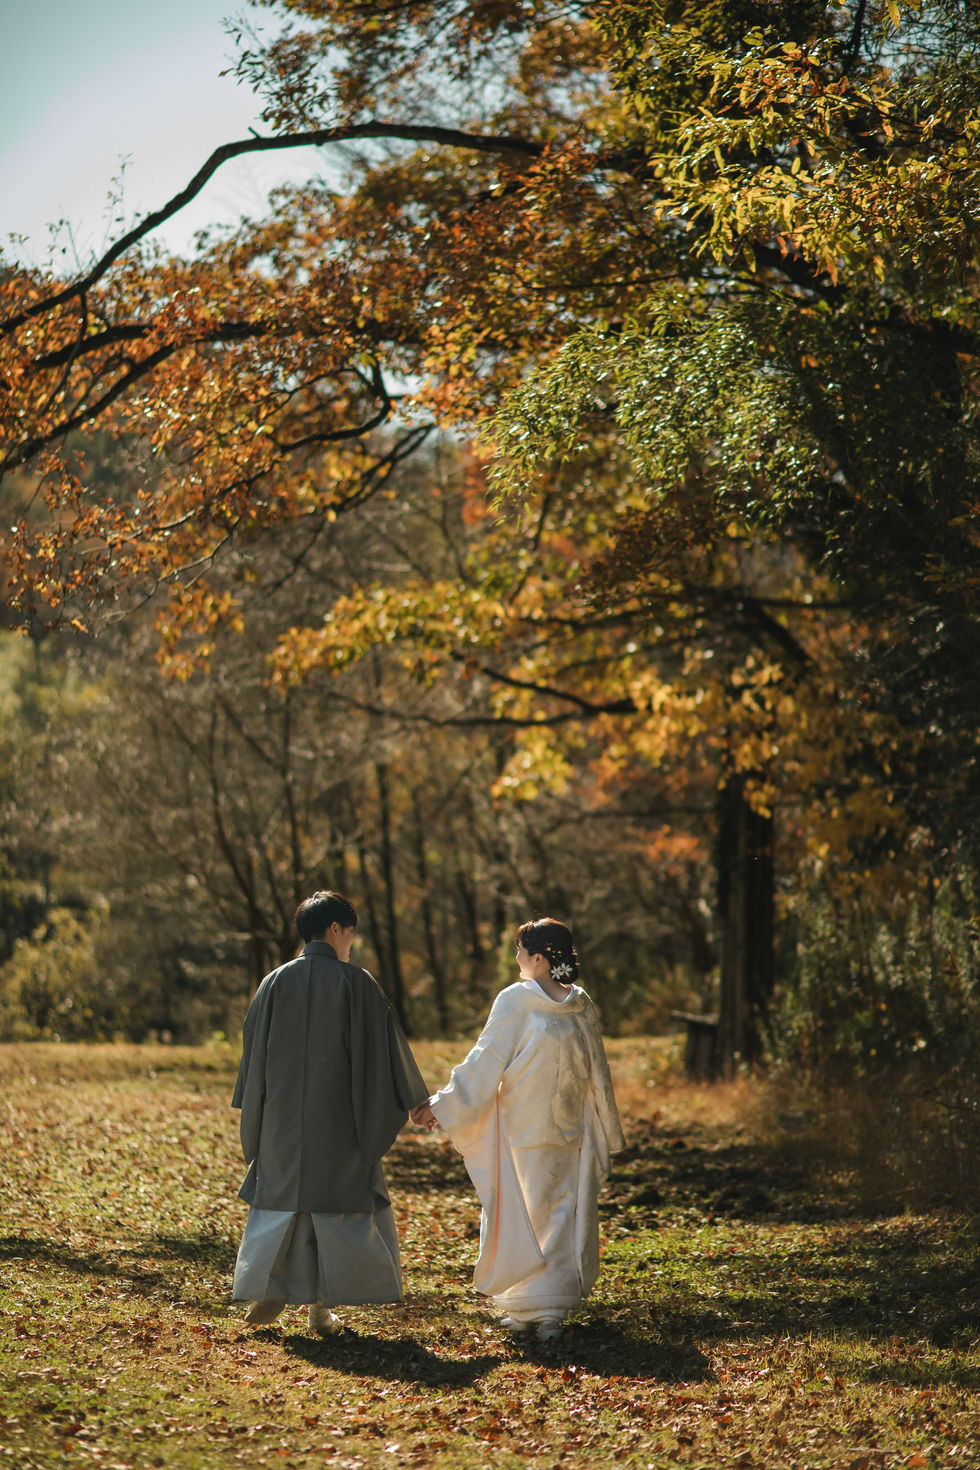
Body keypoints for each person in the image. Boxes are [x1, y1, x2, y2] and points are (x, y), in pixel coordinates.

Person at [413, 917, 624, 1342]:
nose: (516, 960)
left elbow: (486, 1059)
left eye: (521, 953)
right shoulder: (577, 1003)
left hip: (538, 1127)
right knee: (545, 1211)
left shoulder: (524, 1001)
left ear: (540, 959)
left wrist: (442, 1105)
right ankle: (538, 1309)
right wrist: (607, 1124)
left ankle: (543, 1309)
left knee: (542, 1211)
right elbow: (596, 1071)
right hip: (559, 1126)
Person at [231, 890, 430, 1335]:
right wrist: (414, 1097)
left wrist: (259, 1110)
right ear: (336, 930)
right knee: (333, 1209)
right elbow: (386, 1051)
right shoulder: (355, 982)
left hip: (281, 1118)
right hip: (339, 1119)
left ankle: (273, 1288)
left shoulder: (273, 982)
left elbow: (252, 1057)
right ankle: (319, 1310)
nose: (351, 943)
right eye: (351, 933)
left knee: (284, 1202)